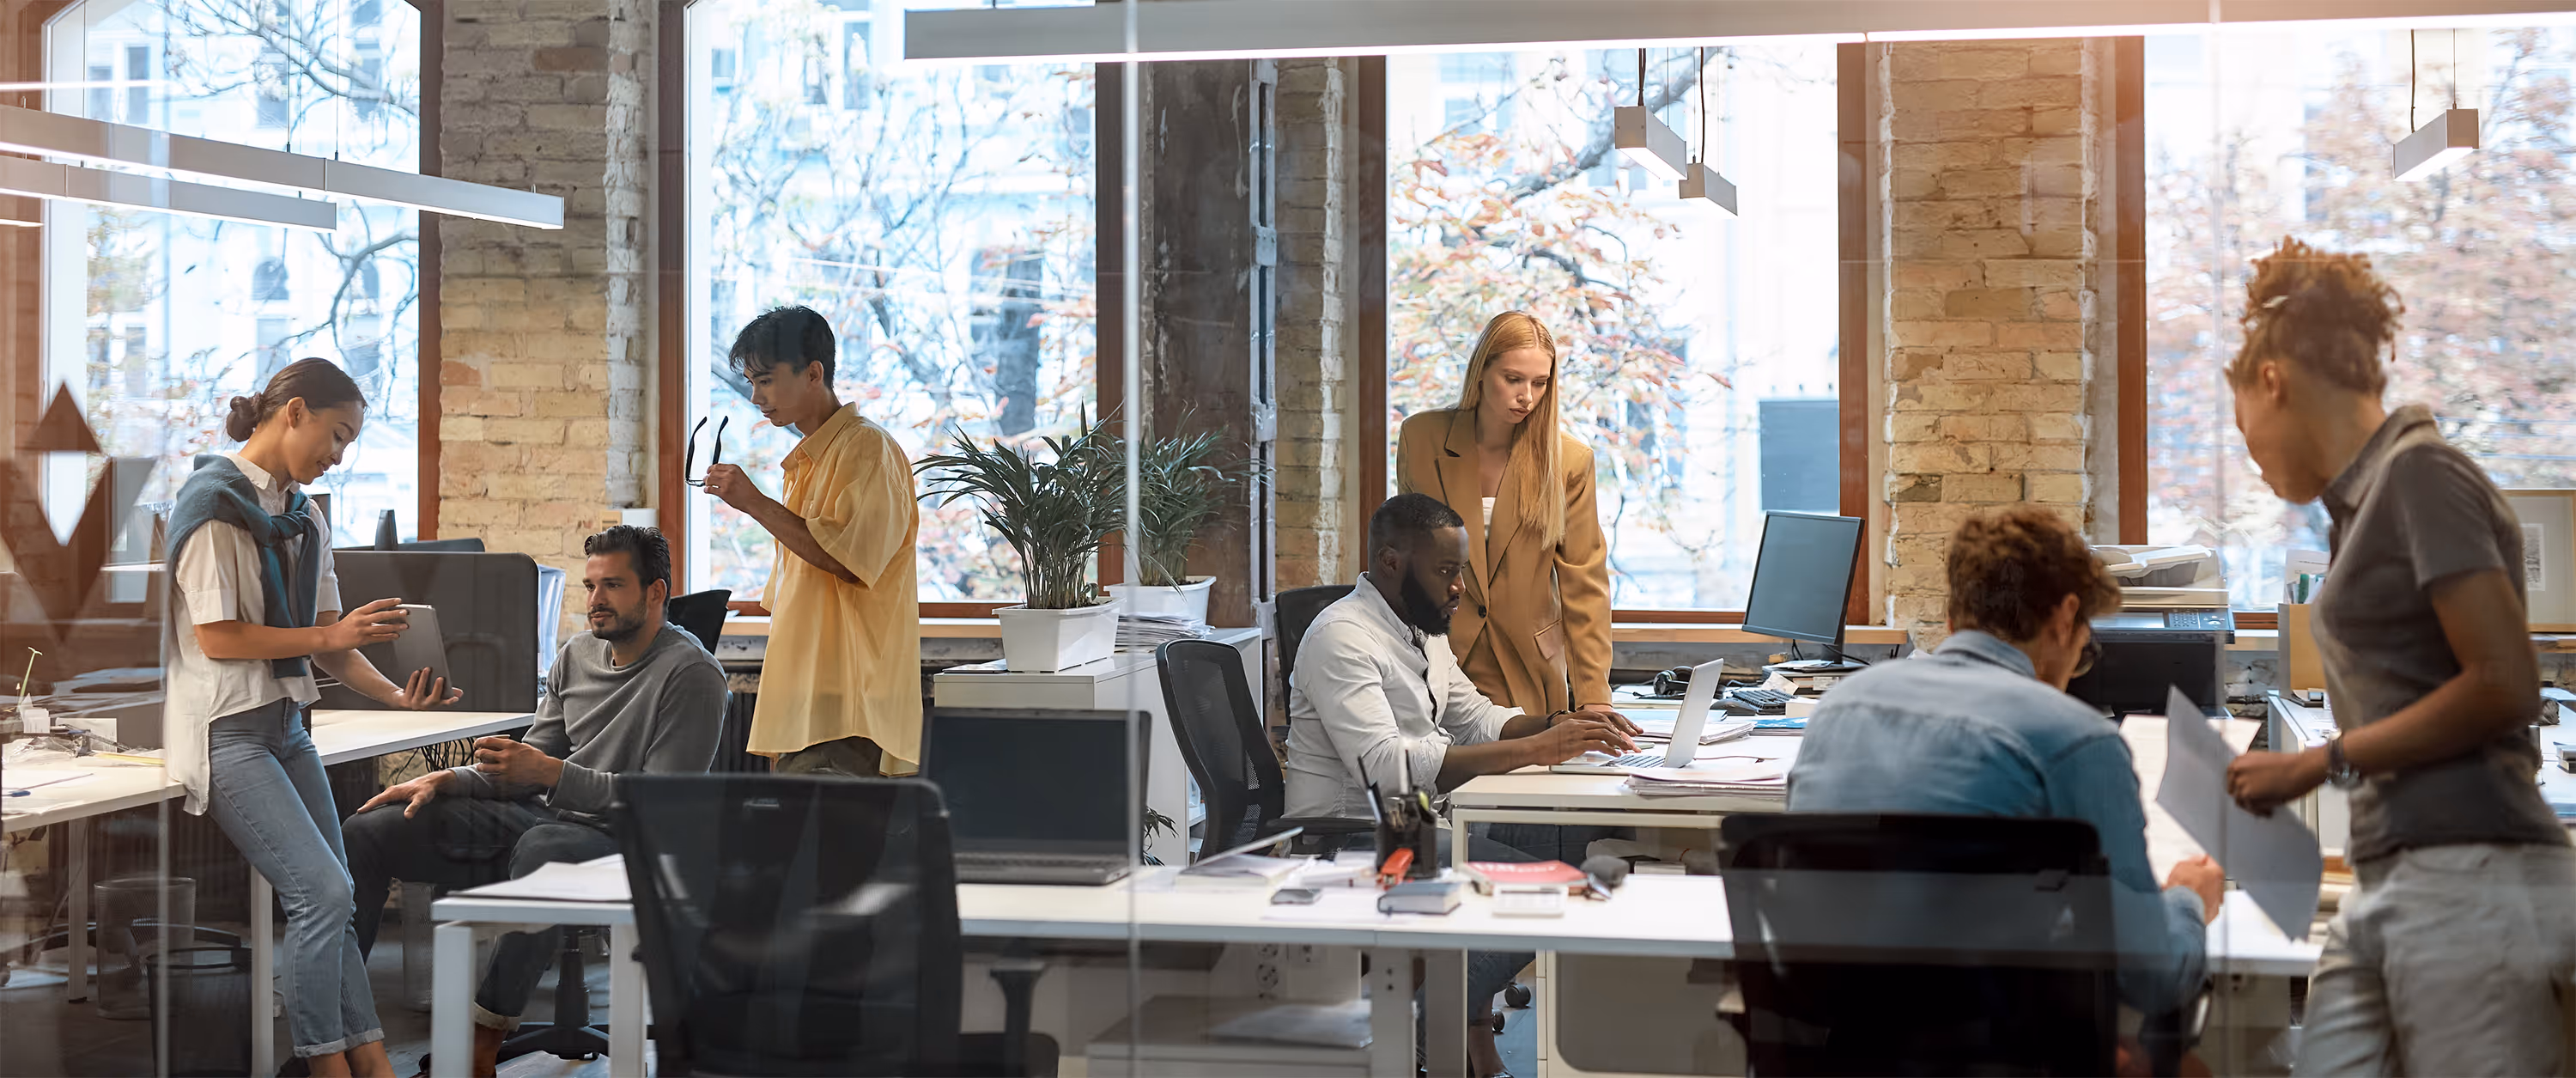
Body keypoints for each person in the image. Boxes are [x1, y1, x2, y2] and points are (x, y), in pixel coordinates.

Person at [2218, 239, 2576, 1076]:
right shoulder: (2363, 503)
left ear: (2273, 380)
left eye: (2245, 429)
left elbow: (2504, 683)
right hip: (2395, 870)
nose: (2251, 456)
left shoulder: (2421, 475)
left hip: (2470, 869)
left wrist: (2318, 764)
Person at [1786, 505, 2225, 1025]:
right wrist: (2186, 900)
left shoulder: (1838, 710)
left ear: (1952, 619)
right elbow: (2151, 976)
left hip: (1844, 1048)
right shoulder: (2077, 739)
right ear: (2065, 620)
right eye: (2084, 644)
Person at [164, 357, 459, 1078]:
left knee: (342, 894)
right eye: (338, 434)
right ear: (293, 411)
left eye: (351, 441)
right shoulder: (212, 505)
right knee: (320, 892)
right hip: (225, 730)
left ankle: (373, 1061)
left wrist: (394, 695)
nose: (339, 454)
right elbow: (221, 636)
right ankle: (324, 1064)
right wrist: (331, 637)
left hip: (287, 725)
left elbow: (331, 639)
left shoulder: (303, 514)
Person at [341, 525, 725, 1076]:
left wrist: (552, 773)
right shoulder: (576, 655)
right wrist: (448, 781)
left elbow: (659, 803)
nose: (595, 602)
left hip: (628, 840)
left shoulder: (693, 675)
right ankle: (347, 1032)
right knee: (370, 830)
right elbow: (528, 766)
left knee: (545, 849)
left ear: (656, 592)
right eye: (591, 586)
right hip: (546, 819)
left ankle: (482, 1040)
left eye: (613, 586)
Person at [1285, 493, 1636, 1078]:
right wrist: (1529, 751)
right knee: (1544, 891)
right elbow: (1385, 768)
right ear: (1392, 562)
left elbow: (1473, 716)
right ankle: (1421, 1031)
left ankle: (1455, 1031)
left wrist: (1558, 725)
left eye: (1461, 572)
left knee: (1582, 836)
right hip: (1360, 835)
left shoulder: (1422, 628)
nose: (1459, 588)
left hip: (1425, 818)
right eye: (1446, 571)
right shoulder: (1341, 637)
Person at [702, 305, 924, 777]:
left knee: (825, 846)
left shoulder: (867, 448)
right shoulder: (807, 459)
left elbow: (848, 560)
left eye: (766, 379)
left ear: (813, 373)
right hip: (809, 702)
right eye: (750, 382)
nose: (756, 396)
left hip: (847, 705)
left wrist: (755, 504)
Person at [1394, 311, 1613, 722]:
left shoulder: (1570, 462)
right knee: (1439, 782)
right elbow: (1403, 562)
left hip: (1528, 666)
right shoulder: (1421, 439)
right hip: (1436, 659)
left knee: (1528, 783)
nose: (1527, 396)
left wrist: (1594, 696)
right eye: (1513, 379)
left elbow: (1585, 585)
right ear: (1481, 371)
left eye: (1540, 383)